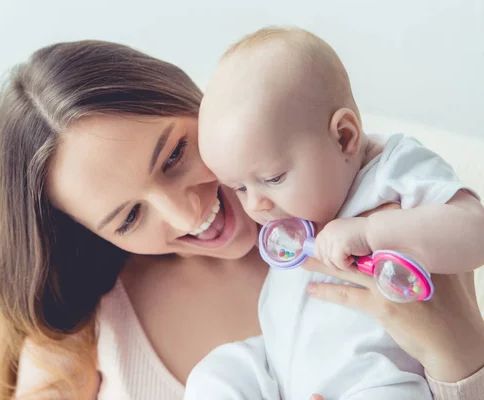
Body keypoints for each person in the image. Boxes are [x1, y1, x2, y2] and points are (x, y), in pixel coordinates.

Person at [0, 39, 484, 400]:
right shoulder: (83, 324)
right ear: (93, 235)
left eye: (175, 155)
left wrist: (461, 359)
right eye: (130, 217)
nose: (187, 211)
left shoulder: (383, 213)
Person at [186, 27, 484, 399]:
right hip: (276, 370)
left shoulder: (392, 170)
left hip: (373, 380)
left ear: (344, 137)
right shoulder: (285, 215)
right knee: (215, 373)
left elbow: (476, 232)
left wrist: (372, 233)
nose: (254, 206)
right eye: (241, 188)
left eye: (273, 178)